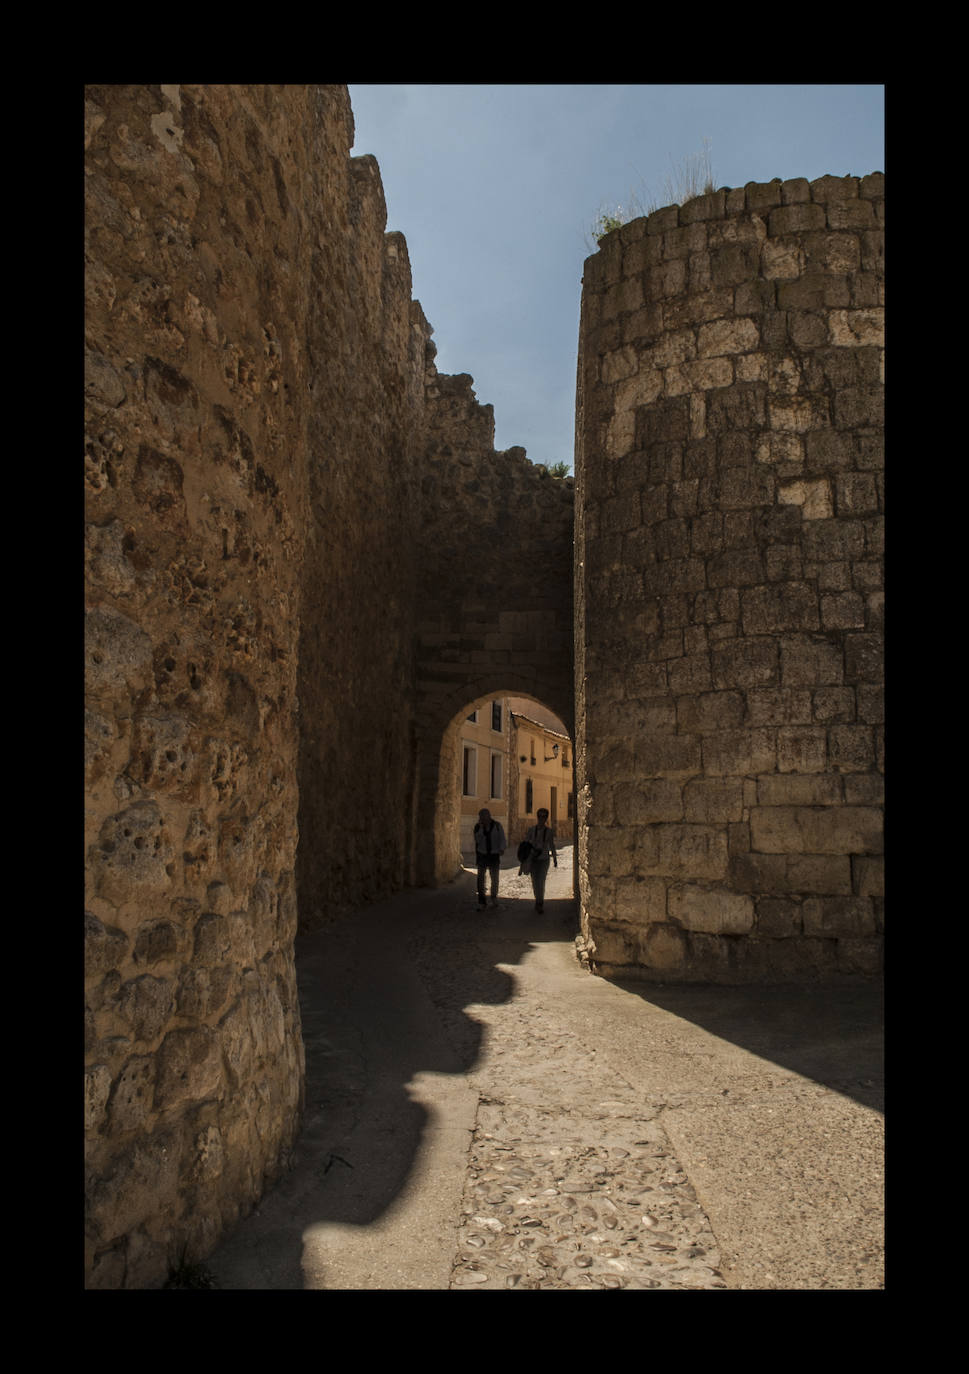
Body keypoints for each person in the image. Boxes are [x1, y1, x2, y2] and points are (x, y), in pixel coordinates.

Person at [523, 808, 557, 913]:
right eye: (540, 816)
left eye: (544, 816)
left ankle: (539, 902)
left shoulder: (549, 831)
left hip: (543, 859)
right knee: (534, 881)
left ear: (546, 818)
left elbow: (551, 845)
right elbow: (526, 844)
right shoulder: (531, 830)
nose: (541, 819)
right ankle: (538, 899)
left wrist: (555, 858)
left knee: (541, 881)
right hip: (533, 859)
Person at [473, 808, 507, 910]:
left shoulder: (497, 826)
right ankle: (482, 901)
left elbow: (502, 838)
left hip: (493, 854)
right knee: (480, 879)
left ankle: (494, 897)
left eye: (484, 816)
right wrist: (481, 829)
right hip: (482, 854)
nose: (483, 818)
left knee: (494, 878)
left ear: (489, 816)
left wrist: (501, 848)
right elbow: (477, 839)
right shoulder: (477, 827)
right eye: (481, 816)